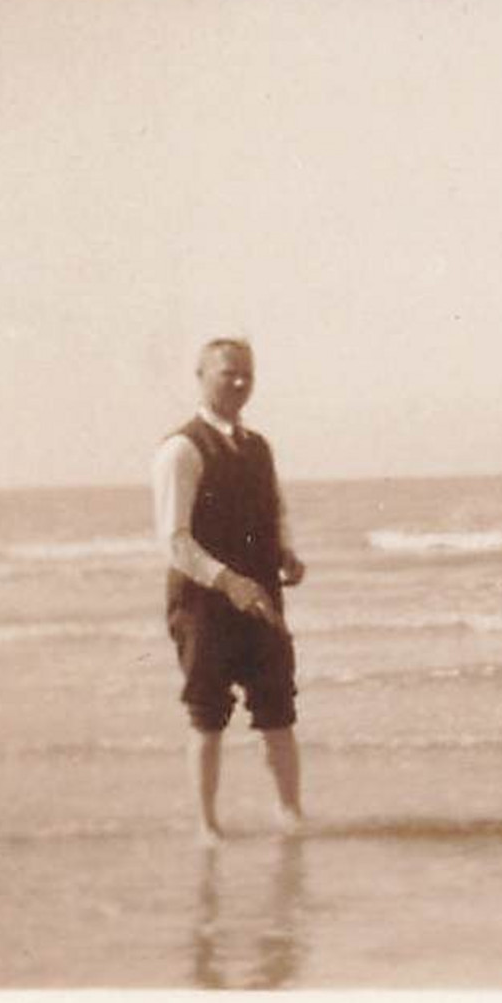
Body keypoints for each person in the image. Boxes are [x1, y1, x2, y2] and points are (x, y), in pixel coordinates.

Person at [153, 338, 307, 845]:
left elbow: (276, 508)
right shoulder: (181, 449)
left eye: (247, 374)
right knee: (207, 714)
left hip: (260, 598)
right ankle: (207, 825)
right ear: (201, 375)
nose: (239, 383)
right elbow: (174, 541)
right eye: (228, 373)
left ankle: (291, 814)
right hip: (203, 603)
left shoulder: (258, 446)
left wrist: (286, 552)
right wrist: (228, 582)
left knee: (278, 708)